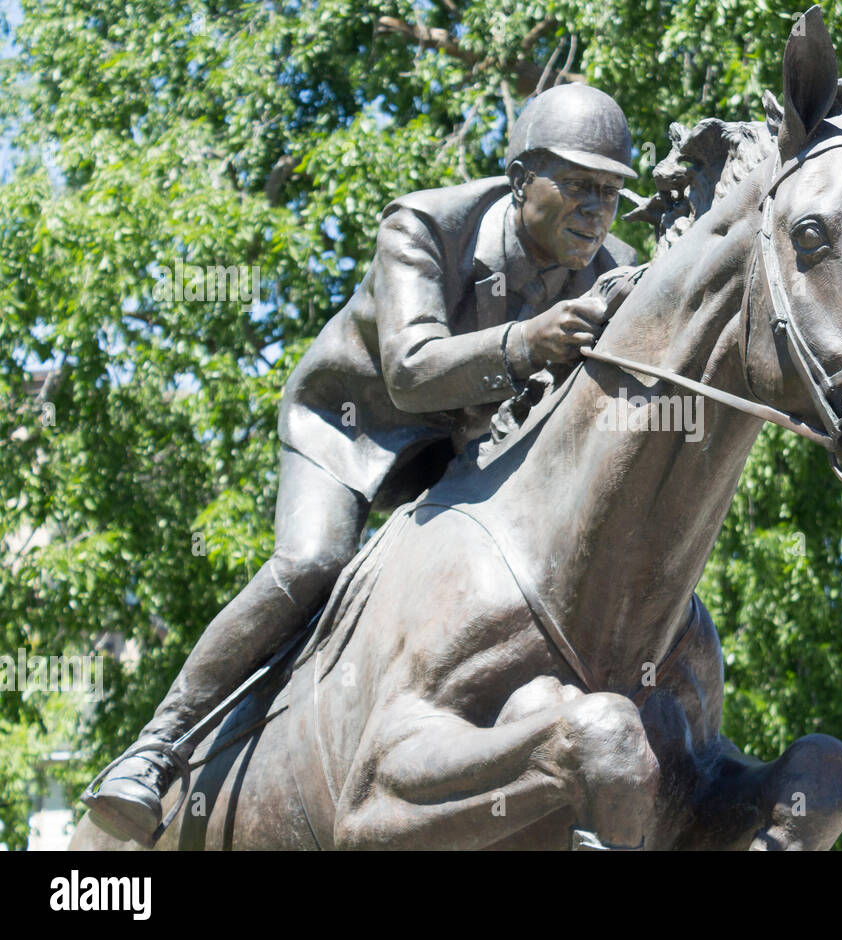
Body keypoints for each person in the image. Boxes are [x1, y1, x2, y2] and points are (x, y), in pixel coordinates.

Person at [84, 83, 640, 846]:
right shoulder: (425, 226)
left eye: (609, 192)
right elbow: (410, 371)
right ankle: (155, 748)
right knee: (312, 560)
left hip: (473, 450)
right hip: (355, 425)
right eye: (578, 186)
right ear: (520, 180)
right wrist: (528, 341)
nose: (596, 209)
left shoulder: (617, 266)